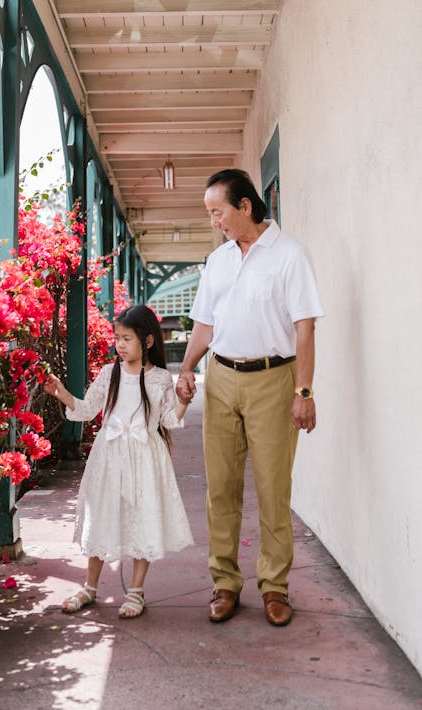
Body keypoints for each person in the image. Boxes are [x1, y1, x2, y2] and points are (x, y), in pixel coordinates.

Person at [176, 169, 324, 627]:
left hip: (272, 381)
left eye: (218, 211)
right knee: (220, 489)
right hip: (220, 379)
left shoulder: (290, 256)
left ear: (245, 206)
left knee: (273, 489)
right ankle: (224, 583)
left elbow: (304, 329)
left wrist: (304, 391)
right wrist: (185, 367)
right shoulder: (218, 261)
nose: (214, 220)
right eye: (209, 213)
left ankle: (275, 588)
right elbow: (206, 323)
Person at [45, 304, 193, 618]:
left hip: (145, 458)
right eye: (117, 338)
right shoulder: (109, 373)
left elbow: (168, 418)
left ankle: (136, 591)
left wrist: (182, 401)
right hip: (109, 456)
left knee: (143, 517)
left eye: (127, 338)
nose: (120, 344)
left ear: (148, 341)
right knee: (103, 516)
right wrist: (61, 393)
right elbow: (86, 410)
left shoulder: (160, 379)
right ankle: (90, 586)